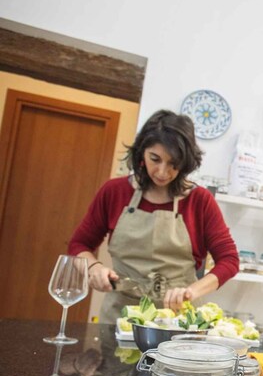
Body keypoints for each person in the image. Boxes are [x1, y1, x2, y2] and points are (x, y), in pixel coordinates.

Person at [69, 110, 238, 323]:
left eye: (173, 163)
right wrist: (94, 267)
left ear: (185, 163)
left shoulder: (199, 201)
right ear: (142, 153)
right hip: (121, 318)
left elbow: (230, 260)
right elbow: (79, 245)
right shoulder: (114, 191)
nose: (162, 172)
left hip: (179, 319)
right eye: (155, 159)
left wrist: (191, 291)